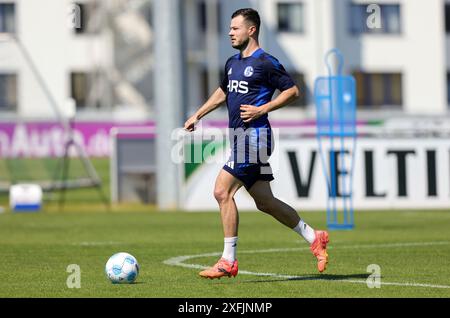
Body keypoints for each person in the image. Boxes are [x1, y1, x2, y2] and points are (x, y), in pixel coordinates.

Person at [184, 8, 329, 279]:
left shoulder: (266, 62)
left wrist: (264, 109)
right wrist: (198, 114)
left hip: (256, 138)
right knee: (265, 202)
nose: (230, 32)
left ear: (251, 30)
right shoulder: (232, 63)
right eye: (229, 28)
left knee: (221, 191)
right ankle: (314, 236)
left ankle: (228, 261)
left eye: (235, 28)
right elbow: (223, 92)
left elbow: (293, 91)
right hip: (241, 139)